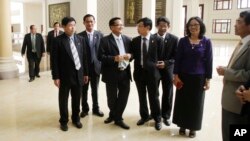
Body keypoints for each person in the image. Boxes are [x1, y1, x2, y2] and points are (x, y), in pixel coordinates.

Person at [173, 16, 213, 138]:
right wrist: (175, 76)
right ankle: (182, 125)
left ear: (201, 26)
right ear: (187, 28)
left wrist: (208, 79)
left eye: (196, 25)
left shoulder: (206, 41)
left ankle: (193, 127)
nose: (193, 27)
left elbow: (209, 61)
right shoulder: (183, 41)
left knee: (196, 103)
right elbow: (178, 59)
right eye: (190, 25)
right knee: (182, 102)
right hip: (183, 77)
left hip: (198, 78)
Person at [51, 17, 89, 131]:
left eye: (74, 25)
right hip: (64, 76)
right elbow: (54, 61)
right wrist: (56, 77)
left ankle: (76, 118)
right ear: (63, 27)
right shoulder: (58, 40)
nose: (73, 27)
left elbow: (84, 58)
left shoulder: (80, 39)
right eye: (70, 25)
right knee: (63, 99)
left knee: (77, 98)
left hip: (79, 74)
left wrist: (86, 73)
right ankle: (63, 121)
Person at [217, 10, 250, 141]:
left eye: (239, 22)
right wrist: (227, 69)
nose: (235, 25)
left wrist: (227, 73)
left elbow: (248, 75)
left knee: (235, 134)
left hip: (239, 104)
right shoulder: (242, 43)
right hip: (229, 100)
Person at [98, 17, 132, 130]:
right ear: (112, 27)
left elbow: (133, 54)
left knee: (124, 96)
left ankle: (117, 118)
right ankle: (114, 115)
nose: (121, 26)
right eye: (118, 25)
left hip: (125, 73)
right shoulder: (104, 40)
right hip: (111, 73)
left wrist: (130, 56)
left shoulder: (127, 39)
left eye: (122, 24)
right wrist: (114, 58)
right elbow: (100, 57)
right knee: (111, 98)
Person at [130, 17, 162, 131]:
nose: (137, 28)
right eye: (137, 26)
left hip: (152, 74)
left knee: (154, 97)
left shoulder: (157, 40)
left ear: (148, 27)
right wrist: (129, 56)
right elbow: (132, 55)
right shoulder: (135, 40)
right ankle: (144, 116)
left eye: (140, 26)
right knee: (141, 96)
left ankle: (157, 118)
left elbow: (161, 57)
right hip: (139, 73)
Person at [78, 14, 104, 118]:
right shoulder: (79, 36)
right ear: (84, 23)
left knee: (95, 90)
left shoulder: (100, 35)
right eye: (87, 21)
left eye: (91, 21)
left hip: (96, 67)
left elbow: (102, 51)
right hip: (84, 69)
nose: (90, 23)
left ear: (94, 22)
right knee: (84, 90)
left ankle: (96, 109)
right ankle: (84, 109)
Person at [155, 16, 178, 126]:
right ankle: (156, 115)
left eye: (165, 26)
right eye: (161, 25)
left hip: (168, 70)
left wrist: (166, 63)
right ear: (157, 26)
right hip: (154, 70)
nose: (163, 28)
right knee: (154, 93)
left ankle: (166, 115)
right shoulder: (151, 38)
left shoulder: (174, 39)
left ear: (168, 27)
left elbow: (176, 57)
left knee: (168, 93)